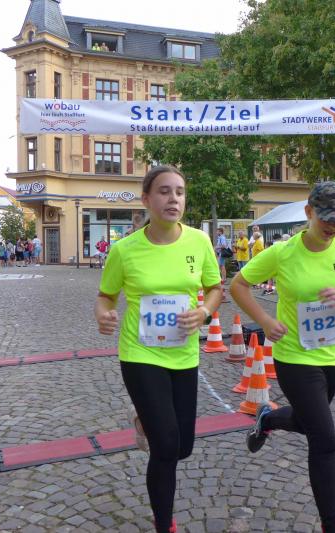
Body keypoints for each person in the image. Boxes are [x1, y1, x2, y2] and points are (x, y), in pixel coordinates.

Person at [231, 181, 335, 532]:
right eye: (326, 218)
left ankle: (267, 419)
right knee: (324, 438)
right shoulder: (283, 252)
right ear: (309, 213)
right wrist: (265, 320)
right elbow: (238, 284)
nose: (333, 227)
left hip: (334, 356)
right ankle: (334, 524)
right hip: (294, 357)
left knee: (306, 421)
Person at [94, 166, 222, 533]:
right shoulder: (125, 250)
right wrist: (104, 315)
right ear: (147, 199)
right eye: (164, 191)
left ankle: (143, 421)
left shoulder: (199, 241)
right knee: (166, 446)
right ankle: (164, 523)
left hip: (184, 353)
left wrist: (204, 312)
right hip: (140, 354)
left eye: (179, 192)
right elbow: (105, 295)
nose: (173, 199)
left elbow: (215, 288)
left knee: (183, 447)